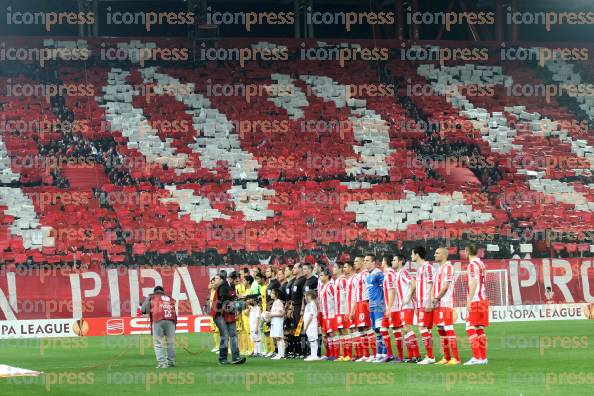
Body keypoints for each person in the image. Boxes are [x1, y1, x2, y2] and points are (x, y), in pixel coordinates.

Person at [432, 247, 460, 365]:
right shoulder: (439, 269)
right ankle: (446, 357)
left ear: (443, 255)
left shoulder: (448, 267)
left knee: (448, 329)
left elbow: (445, 287)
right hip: (438, 304)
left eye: (437, 253)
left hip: (446, 303)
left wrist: (437, 298)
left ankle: (456, 358)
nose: (434, 255)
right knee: (441, 330)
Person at [212, 270, 246, 365]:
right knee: (225, 336)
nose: (237, 283)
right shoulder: (223, 286)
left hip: (229, 314)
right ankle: (222, 358)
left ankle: (236, 357)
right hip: (220, 315)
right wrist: (235, 302)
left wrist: (237, 299)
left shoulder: (231, 286)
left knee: (234, 336)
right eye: (236, 281)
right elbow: (223, 301)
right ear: (231, 279)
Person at [464, 244, 489, 365]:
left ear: (467, 251)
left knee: (469, 327)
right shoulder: (481, 264)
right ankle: (483, 357)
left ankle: (477, 357)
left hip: (476, 300)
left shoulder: (472, 265)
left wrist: (469, 299)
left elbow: (473, 282)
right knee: (479, 327)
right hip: (483, 298)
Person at [141, 286, 177, 368]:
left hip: (158, 320)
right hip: (171, 320)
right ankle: (170, 362)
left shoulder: (151, 297)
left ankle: (162, 363)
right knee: (170, 343)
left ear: (155, 291)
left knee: (158, 343)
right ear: (163, 292)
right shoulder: (170, 298)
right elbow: (174, 312)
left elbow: (143, 309)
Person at [412, 246, 436, 364]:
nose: (411, 256)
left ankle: (430, 357)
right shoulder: (420, 269)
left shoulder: (428, 267)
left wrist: (429, 302)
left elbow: (431, 284)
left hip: (425, 302)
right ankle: (429, 355)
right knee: (427, 329)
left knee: (422, 328)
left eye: (412, 254)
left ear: (417, 254)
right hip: (420, 303)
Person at [396, 254, 421, 363]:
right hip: (402, 306)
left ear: (400, 262)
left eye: (394, 260)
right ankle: (411, 356)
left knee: (407, 328)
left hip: (407, 305)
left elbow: (413, 283)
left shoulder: (404, 272)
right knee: (405, 330)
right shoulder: (398, 274)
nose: (392, 261)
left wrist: (408, 297)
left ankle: (417, 355)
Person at [350, 255, 373, 362]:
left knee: (367, 327)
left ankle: (372, 354)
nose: (354, 263)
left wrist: (369, 303)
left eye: (357, 261)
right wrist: (352, 310)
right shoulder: (356, 277)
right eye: (354, 261)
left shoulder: (366, 275)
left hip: (365, 303)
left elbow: (370, 290)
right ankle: (366, 354)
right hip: (358, 304)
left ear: (363, 263)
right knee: (360, 328)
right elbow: (354, 295)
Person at [365, 254, 386, 363]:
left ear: (373, 262)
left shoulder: (378, 273)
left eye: (367, 260)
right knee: (375, 329)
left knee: (380, 329)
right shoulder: (367, 276)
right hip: (372, 306)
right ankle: (379, 353)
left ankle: (385, 353)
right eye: (364, 260)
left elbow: (385, 288)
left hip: (379, 304)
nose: (365, 262)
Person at [319, 267, 338, 360]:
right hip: (325, 314)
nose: (320, 277)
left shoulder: (330, 286)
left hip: (331, 314)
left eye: (322, 275)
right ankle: (331, 354)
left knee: (332, 334)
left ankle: (336, 354)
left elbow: (336, 300)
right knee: (328, 335)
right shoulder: (324, 286)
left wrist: (336, 313)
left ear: (327, 276)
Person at [303, 290, 320, 361]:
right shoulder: (309, 304)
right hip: (309, 325)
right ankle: (313, 355)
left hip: (311, 325)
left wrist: (306, 326)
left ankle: (314, 355)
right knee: (311, 340)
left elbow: (311, 316)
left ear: (309, 296)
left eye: (305, 296)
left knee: (313, 340)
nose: (304, 297)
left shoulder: (311, 304)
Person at [269, 288, 286, 360]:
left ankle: (282, 354)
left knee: (279, 337)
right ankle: (279, 353)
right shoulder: (275, 302)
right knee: (276, 337)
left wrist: (271, 314)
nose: (271, 294)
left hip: (278, 322)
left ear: (276, 294)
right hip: (274, 321)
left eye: (272, 293)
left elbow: (282, 313)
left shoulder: (278, 302)